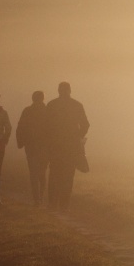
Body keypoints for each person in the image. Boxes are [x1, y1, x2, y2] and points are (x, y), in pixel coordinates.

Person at [46, 81, 89, 210]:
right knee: (68, 175)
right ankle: (64, 204)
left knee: (54, 173)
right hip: (71, 146)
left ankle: (53, 202)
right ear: (70, 90)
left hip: (55, 145)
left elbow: (45, 125)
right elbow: (85, 124)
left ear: (58, 90)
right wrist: (78, 136)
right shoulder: (77, 105)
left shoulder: (52, 105)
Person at [15, 90, 49, 205]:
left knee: (33, 172)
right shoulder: (47, 111)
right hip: (45, 146)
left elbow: (20, 127)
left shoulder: (27, 111)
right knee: (42, 172)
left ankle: (37, 198)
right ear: (43, 98)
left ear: (33, 99)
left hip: (31, 146)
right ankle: (41, 194)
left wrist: (20, 142)